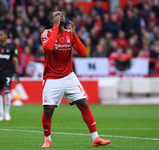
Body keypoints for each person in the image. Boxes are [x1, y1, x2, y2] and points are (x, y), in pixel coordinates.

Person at [41, 11, 110, 148]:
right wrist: (56, 27)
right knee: (48, 110)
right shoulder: (47, 33)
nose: (61, 16)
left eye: (62, 14)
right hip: (52, 77)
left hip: (69, 76)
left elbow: (83, 52)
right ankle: (47, 139)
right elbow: (48, 47)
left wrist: (75, 35)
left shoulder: (68, 34)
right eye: (57, 15)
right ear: (52, 20)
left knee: (83, 103)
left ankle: (95, 138)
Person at [0, 29, 19, 121]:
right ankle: (1, 114)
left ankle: (7, 112)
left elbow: (15, 61)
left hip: (7, 73)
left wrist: (16, 73)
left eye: (1, 35)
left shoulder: (12, 47)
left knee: (6, 91)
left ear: (6, 36)